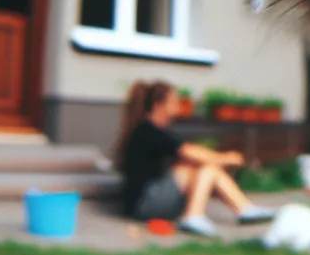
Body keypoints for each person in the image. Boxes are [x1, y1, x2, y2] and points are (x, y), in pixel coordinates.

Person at [115, 80, 275, 237]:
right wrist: (227, 158)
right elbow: (190, 152)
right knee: (207, 168)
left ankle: (244, 208)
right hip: (146, 203)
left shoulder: (151, 130)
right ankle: (195, 216)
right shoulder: (149, 132)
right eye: (174, 101)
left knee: (199, 167)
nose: (179, 105)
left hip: (145, 202)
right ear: (159, 105)